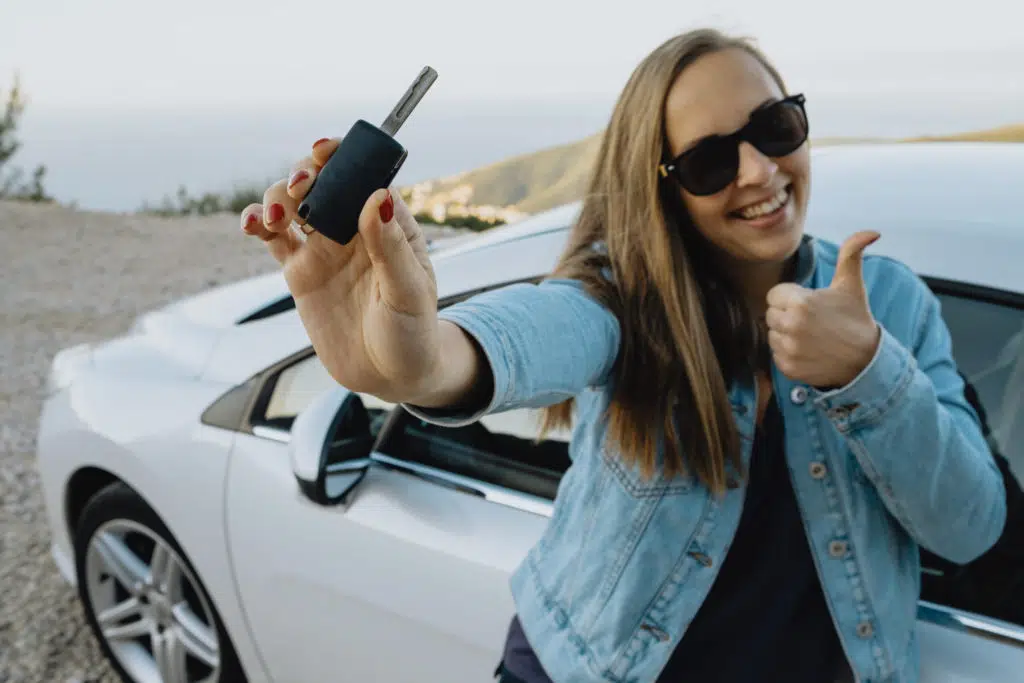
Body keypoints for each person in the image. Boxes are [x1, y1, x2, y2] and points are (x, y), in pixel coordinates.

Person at [240, 27, 1007, 683]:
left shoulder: (891, 304)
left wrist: (867, 370)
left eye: (775, 127)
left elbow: (971, 528)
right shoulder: (623, 297)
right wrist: (418, 359)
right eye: (709, 162)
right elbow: (536, 330)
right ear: (663, 187)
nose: (758, 171)